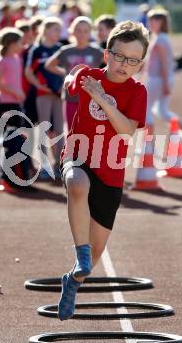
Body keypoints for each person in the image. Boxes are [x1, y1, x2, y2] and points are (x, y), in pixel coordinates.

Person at [57, 21, 149, 320]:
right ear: (107, 54)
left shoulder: (138, 92)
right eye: (120, 57)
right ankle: (79, 251)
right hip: (79, 154)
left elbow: (126, 131)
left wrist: (101, 98)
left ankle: (72, 282)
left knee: (97, 256)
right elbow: (70, 81)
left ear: (140, 64)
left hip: (111, 171)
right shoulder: (88, 75)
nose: (125, 65)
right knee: (77, 183)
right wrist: (70, 80)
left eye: (133, 60)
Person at [145, 8, 182, 148]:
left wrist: (165, 83)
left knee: (147, 110)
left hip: (158, 79)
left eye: (152, 20)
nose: (149, 23)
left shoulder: (160, 40)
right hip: (161, 79)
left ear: (161, 22)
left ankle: (149, 144)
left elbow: (164, 64)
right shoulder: (160, 38)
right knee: (162, 111)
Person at [45, 16, 104, 130]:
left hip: (92, 98)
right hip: (71, 98)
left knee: (90, 131)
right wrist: (67, 73)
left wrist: (101, 76)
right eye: (78, 30)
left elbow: (111, 66)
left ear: (90, 33)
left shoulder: (96, 51)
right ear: (72, 31)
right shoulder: (66, 51)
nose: (82, 34)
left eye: (86, 31)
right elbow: (49, 65)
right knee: (73, 130)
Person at [25, 17, 64, 178]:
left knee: (59, 131)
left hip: (59, 95)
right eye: (55, 29)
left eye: (59, 30)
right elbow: (28, 72)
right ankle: (44, 166)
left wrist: (64, 85)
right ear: (46, 30)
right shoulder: (37, 50)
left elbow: (67, 70)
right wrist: (39, 86)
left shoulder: (61, 48)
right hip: (43, 95)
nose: (58, 33)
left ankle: (59, 165)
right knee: (44, 130)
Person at [0, 28, 25, 133]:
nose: (22, 46)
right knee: (2, 137)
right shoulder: (2, 61)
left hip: (16, 103)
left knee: (17, 137)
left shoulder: (18, 59)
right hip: (4, 103)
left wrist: (20, 93)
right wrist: (15, 92)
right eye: (20, 43)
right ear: (12, 44)